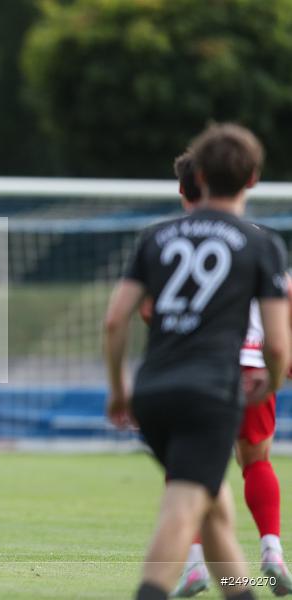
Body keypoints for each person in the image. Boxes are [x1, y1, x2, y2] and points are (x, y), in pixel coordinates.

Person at [103, 123, 290, 600]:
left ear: (199, 175)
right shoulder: (262, 244)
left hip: (154, 390)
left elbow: (115, 320)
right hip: (211, 390)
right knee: (185, 504)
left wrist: (120, 390)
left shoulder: (157, 236)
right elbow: (276, 340)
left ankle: (239, 589)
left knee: (215, 509)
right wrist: (270, 381)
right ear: (252, 179)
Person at [159, 152, 292, 598]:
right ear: (244, 183)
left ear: (185, 189)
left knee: (190, 472)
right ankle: (271, 550)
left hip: (196, 368)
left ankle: (194, 563)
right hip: (255, 365)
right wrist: (280, 363)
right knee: (255, 460)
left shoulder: (168, 239)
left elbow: (137, 310)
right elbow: (285, 298)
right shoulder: (260, 240)